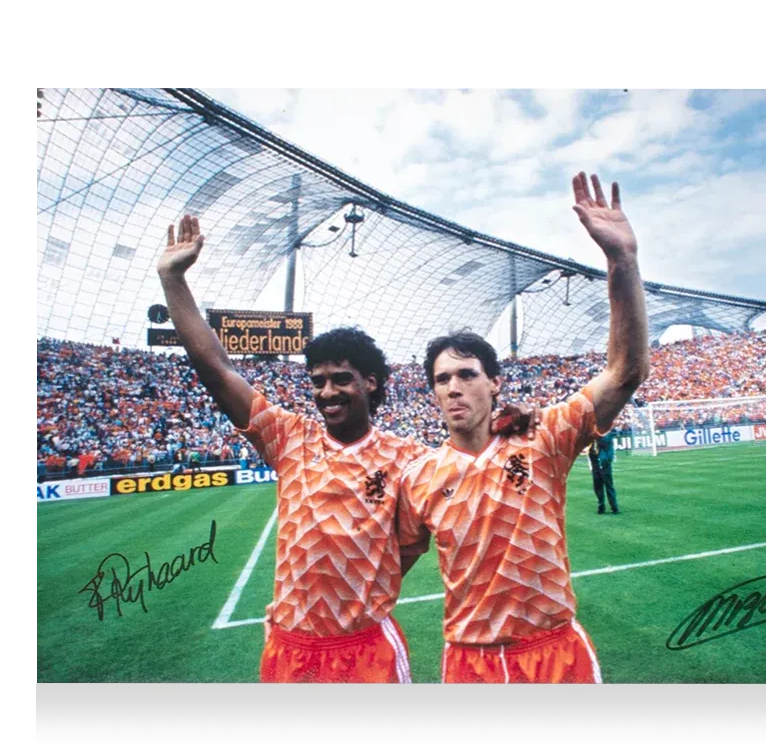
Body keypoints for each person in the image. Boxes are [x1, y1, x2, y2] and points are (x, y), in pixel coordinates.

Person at [157, 214, 534, 685]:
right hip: (289, 649)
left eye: (341, 380)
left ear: (369, 383)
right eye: (317, 382)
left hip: (365, 650)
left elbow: (470, 470)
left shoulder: (410, 459)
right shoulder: (289, 438)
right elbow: (217, 371)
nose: (327, 392)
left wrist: (512, 418)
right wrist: (173, 279)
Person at [398, 172, 649, 684]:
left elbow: (625, 372)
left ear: (494, 383)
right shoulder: (417, 477)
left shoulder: (544, 437)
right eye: (442, 379)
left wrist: (621, 261)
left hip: (553, 652)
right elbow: (390, 567)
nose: (453, 387)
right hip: (471, 662)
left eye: (466, 374)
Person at [588, 428, 619, 514]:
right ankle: (601, 506)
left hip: (605, 463)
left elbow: (604, 442)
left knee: (609, 485)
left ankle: (614, 507)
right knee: (597, 486)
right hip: (595, 463)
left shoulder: (609, 432)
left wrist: (595, 434)